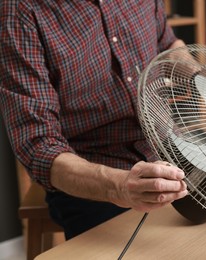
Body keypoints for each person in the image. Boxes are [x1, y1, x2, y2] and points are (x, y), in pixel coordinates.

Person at [0, 0, 188, 239]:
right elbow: (38, 146)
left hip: (170, 150)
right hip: (96, 181)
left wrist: (205, 72)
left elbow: (168, 44)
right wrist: (119, 186)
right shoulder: (21, 10)